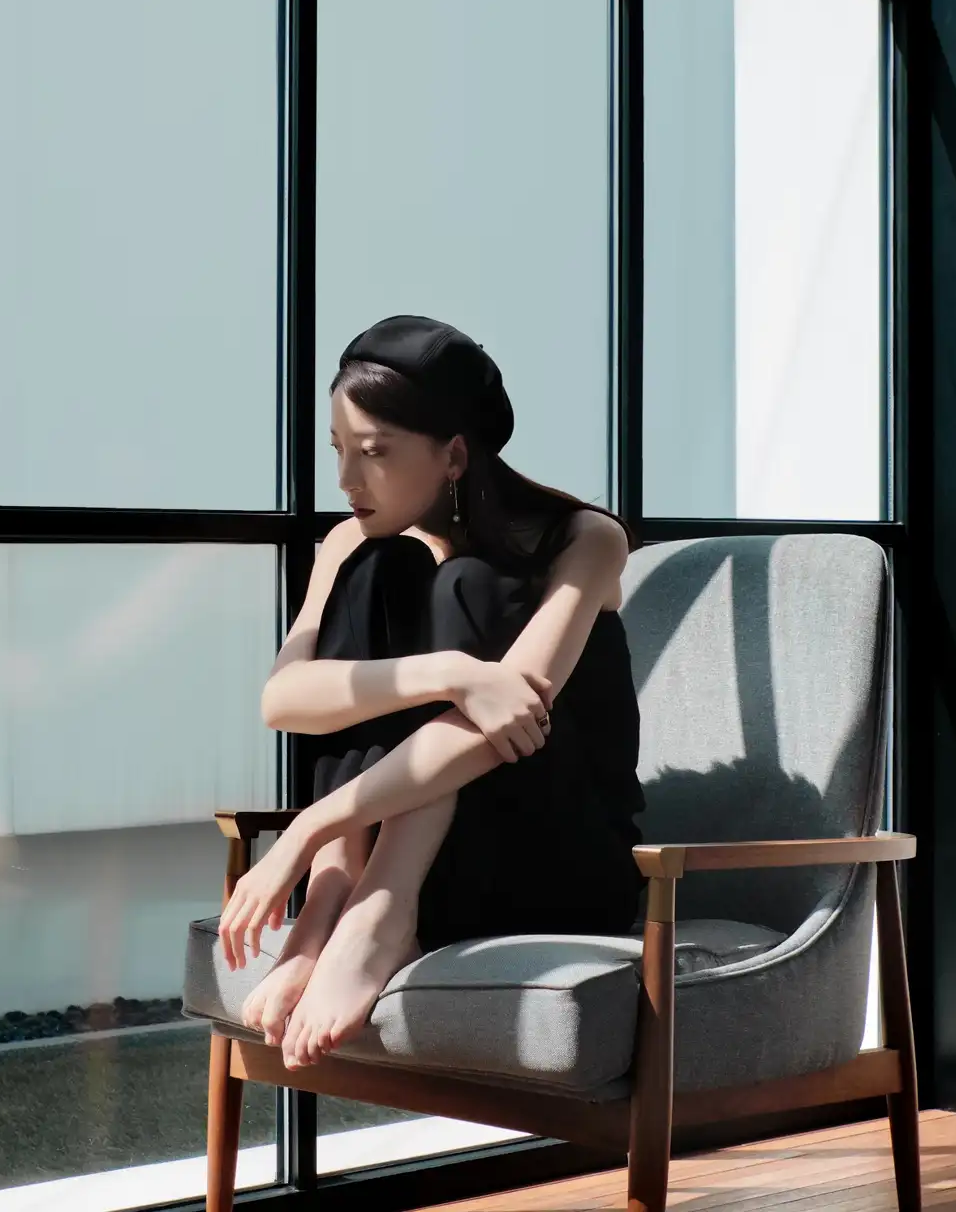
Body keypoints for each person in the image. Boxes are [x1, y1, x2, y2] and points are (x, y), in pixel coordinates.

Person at [217, 313, 647, 1072]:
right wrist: (452, 672)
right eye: (339, 452)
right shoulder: (352, 544)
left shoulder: (582, 537)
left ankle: (378, 914)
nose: (348, 481)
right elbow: (284, 700)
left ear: (453, 454)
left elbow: (506, 721)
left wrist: (310, 826)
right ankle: (331, 909)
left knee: (469, 584)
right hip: (423, 862)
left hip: (551, 860)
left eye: (374, 454)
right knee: (380, 572)